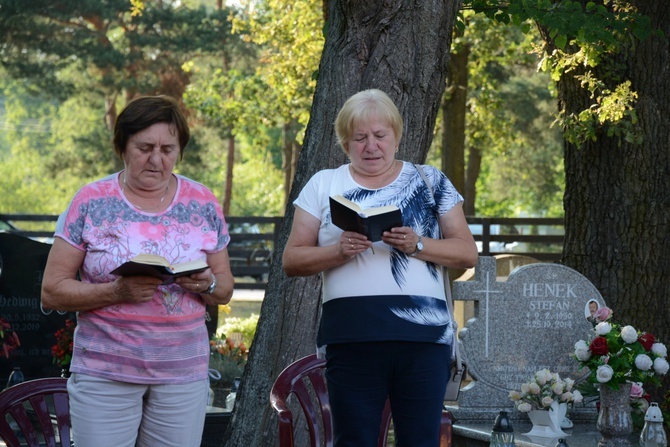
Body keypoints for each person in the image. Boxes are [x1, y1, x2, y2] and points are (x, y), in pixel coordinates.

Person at [282, 89, 478, 447]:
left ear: (397, 136)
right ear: (345, 142)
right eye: (359, 138)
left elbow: (467, 253)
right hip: (352, 338)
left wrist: (417, 244)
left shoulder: (430, 181)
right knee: (353, 439)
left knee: (420, 440)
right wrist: (337, 252)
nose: (371, 146)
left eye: (379, 136)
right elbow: (291, 259)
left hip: (423, 340)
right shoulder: (323, 184)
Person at [41, 95, 235, 447]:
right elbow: (52, 290)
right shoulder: (90, 201)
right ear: (122, 146)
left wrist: (206, 284)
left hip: (182, 374)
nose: (157, 159)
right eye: (145, 147)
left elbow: (225, 289)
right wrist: (116, 292)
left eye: (168, 149)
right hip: (105, 372)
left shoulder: (203, 202)